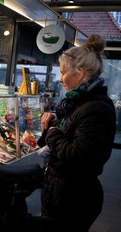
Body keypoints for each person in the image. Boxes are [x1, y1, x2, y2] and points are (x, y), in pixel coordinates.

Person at [39, 34, 116, 232]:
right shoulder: (77, 104)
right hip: (62, 193)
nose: (60, 78)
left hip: (74, 199)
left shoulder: (96, 108)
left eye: (63, 72)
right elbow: (63, 138)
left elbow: (78, 155)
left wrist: (54, 133)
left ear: (79, 73)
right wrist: (51, 125)